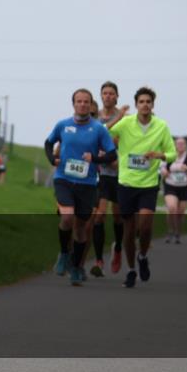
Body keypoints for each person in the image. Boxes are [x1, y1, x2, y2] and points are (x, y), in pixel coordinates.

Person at [45, 88, 118, 285]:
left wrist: (94, 158)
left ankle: (77, 266)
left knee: (81, 229)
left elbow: (112, 154)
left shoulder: (99, 129)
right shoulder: (63, 125)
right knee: (67, 216)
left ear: (91, 104)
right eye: (79, 101)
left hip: (87, 183)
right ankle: (63, 254)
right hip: (64, 179)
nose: (83, 104)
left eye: (86, 101)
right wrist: (53, 158)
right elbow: (48, 143)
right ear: (73, 104)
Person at [108, 86, 176, 289]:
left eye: (148, 102)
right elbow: (102, 132)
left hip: (148, 183)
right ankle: (130, 270)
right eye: (141, 102)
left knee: (145, 227)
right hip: (127, 183)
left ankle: (143, 256)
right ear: (136, 105)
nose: (145, 105)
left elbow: (172, 153)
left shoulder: (161, 126)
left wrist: (160, 155)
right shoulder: (126, 123)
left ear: (153, 105)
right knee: (129, 231)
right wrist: (118, 116)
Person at [91, 81, 129, 276]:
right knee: (99, 215)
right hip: (103, 173)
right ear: (101, 96)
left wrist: (119, 158)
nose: (107, 96)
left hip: (121, 173)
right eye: (104, 93)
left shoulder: (126, 118)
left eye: (111, 93)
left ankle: (118, 248)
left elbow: (129, 142)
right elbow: (98, 134)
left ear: (117, 96)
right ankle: (98, 260)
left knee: (118, 216)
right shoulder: (94, 117)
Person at [162, 137, 187, 244]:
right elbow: (161, 167)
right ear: (174, 145)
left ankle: (177, 232)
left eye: (182, 144)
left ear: (186, 146)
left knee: (180, 213)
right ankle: (170, 231)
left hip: (185, 187)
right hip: (171, 185)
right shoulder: (169, 155)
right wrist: (164, 171)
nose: (180, 146)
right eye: (178, 144)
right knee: (171, 208)